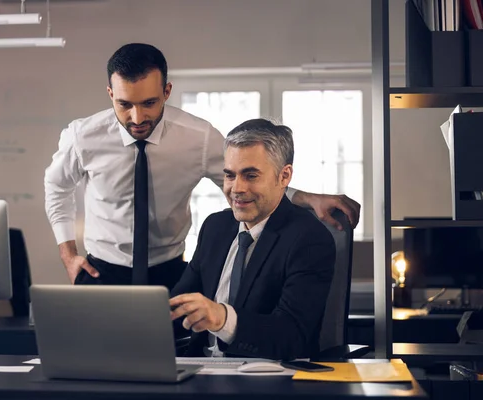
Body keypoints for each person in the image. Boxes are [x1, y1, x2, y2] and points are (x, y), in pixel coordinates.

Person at [44, 42, 358, 288]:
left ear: (167, 92)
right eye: (124, 104)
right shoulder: (83, 136)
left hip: (170, 272)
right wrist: (68, 254)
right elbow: (57, 187)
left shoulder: (200, 137)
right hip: (102, 270)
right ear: (111, 94)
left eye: (149, 103)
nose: (137, 118)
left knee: (174, 363)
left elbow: (247, 183)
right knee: (97, 368)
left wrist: (308, 198)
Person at [169, 118, 335, 360]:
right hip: (199, 372)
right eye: (230, 175)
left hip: (267, 381)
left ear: (284, 176)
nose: (237, 188)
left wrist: (223, 318)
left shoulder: (309, 239)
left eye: (251, 176)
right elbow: (178, 309)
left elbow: (292, 337)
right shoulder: (215, 227)